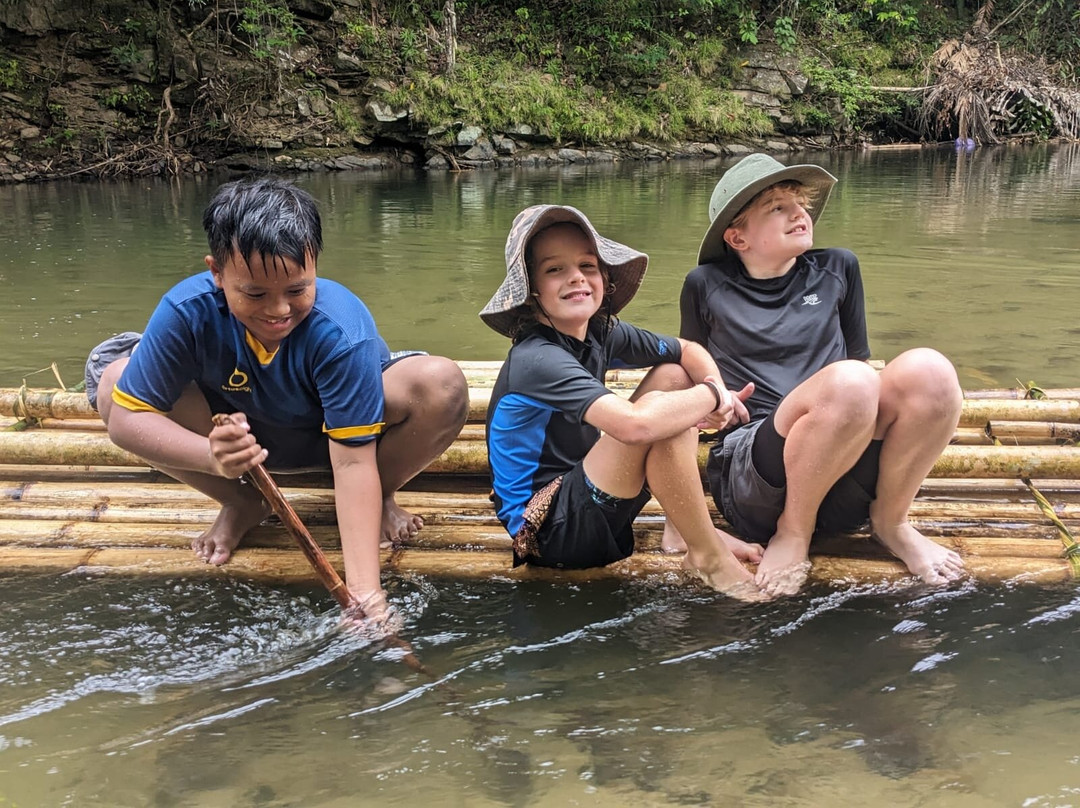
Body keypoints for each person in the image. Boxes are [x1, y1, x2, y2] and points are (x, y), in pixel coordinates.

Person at [86, 177, 468, 613]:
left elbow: (351, 460)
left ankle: (380, 494)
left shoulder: (341, 328)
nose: (279, 310)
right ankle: (242, 501)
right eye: (255, 293)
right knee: (115, 383)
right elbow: (125, 420)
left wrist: (365, 593)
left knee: (440, 384)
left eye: (297, 290)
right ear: (216, 273)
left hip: (342, 441)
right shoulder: (186, 312)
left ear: (314, 266)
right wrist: (212, 456)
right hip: (243, 445)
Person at [680, 153, 965, 597]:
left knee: (932, 371)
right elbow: (687, 374)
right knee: (852, 381)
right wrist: (711, 406)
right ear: (737, 237)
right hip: (756, 479)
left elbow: (862, 369)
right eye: (777, 207)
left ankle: (891, 522)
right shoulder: (705, 284)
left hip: (842, 469)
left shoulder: (838, 268)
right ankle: (793, 532)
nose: (799, 213)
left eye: (800, 203)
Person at [480, 204, 766, 600]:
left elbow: (687, 350)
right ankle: (709, 556)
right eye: (555, 269)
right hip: (546, 532)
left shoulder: (600, 332)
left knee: (674, 376)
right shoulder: (536, 359)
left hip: (588, 489)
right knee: (663, 413)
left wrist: (712, 385)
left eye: (587, 265)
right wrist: (715, 397)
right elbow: (636, 426)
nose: (576, 277)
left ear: (605, 279)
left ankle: (685, 533)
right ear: (532, 292)